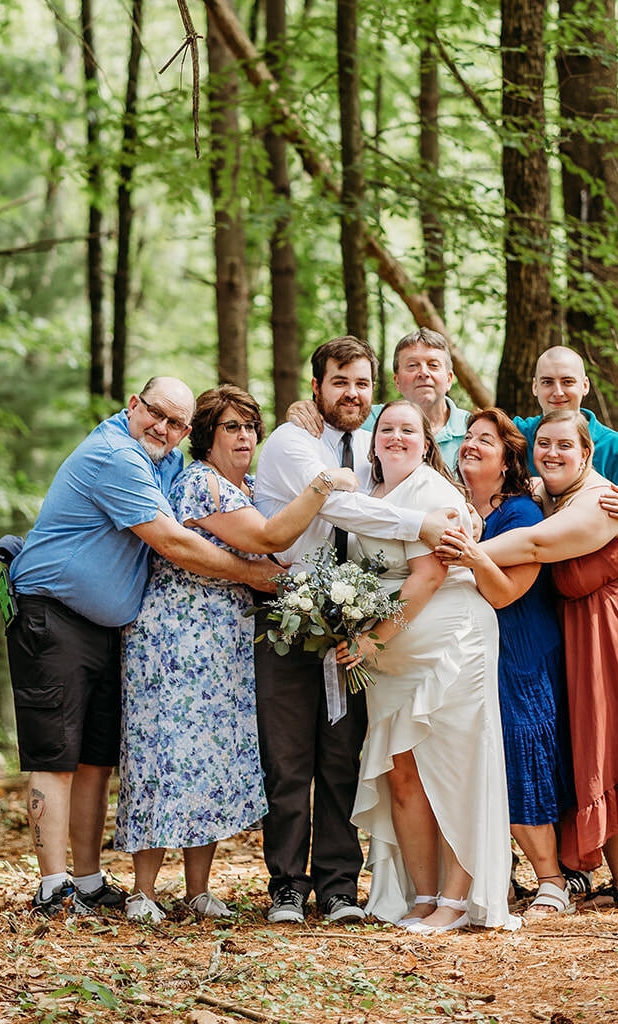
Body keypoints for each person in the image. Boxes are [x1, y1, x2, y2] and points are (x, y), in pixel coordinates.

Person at [6, 378, 286, 917]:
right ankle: (53, 887)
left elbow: (227, 483)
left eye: (177, 423)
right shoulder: (116, 456)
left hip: (104, 627)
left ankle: (87, 882)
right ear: (133, 405)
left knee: (95, 760)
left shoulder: (165, 460)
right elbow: (176, 543)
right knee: (56, 757)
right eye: (156, 414)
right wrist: (254, 575)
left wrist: (299, 421)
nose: (165, 428)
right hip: (50, 614)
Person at [439, 407, 618, 919]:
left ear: (587, 453)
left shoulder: (603, 499)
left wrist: (462, 554)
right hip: (586, 637)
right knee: (606, 754)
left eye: (566, 445)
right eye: (544, 443)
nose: (553, 452)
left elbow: (537, 543)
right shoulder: (546, 493)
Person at [115, 384, 360, 923]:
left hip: (224, 641)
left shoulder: (243, 485)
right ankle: (143, 891)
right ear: (206, 436)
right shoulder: (202, 483)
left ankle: (198, 890)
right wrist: (325, 482)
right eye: (231, 426)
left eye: (251, 426)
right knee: (165, 755)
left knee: (208, 759)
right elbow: (271, 534)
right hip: (176, 638)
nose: (245, 435)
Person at [252, 337, 462, 927]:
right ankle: (288, 887)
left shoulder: (376, 453)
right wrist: (422, 523)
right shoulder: (294, 443)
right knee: (289, 758)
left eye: (362, 383)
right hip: (289, 616)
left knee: (343, 757)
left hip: (357, 622)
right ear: (316, 388)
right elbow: (339, 512)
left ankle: (340, 886)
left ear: (376, 392)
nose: (352, 393)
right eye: (340, 381)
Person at [337, 401, 519, 932]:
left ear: (425, 442)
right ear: (373, 441)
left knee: (454, 771)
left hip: (449, 646)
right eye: (386, 428)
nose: (395, 437)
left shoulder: (433, 493)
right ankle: (420, 895)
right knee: (402, 775)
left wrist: (374, 638)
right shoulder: (368, 498)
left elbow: (430, 575)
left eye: (407, 430)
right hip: (391, 658)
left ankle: (457, 899)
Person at [455, 408, 575, 917]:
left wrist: (471, 553)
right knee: (478, 761)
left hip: (520, 652)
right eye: (468, 437)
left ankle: (553, 882)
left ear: (507, 460)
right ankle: (497, 877)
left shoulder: (522, 513)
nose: (472, 444)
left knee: (520, 754)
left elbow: (507, 595)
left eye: (486, 439)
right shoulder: (454, 506)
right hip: (469, 654)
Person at [513, 346, 618, 544]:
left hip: (590, 566)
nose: (558, 392)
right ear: (535, 387)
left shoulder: (615, 447)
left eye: (567, 382)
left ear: (585, 385)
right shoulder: (517, 435)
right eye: (547, 382)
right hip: (527, 560)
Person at [287, 328, 470, 472]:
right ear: (396, 381)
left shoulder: (472, 429)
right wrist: (301, 407)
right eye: (412, 365)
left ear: (449, 379)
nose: (423, 373)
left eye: (433, 365)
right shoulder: (366, 417)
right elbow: (332, 409)